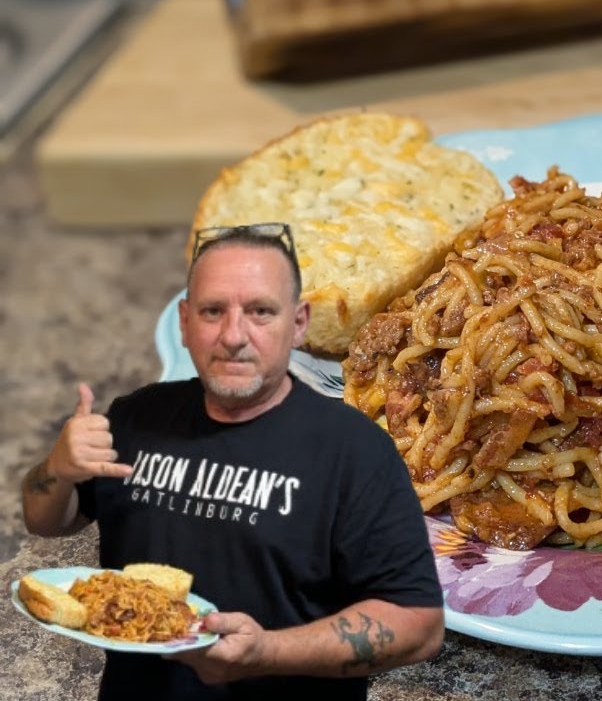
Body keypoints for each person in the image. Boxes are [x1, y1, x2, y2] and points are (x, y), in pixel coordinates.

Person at [21, 223, 444, 700]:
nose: (234, 335)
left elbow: (419, 626)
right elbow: (46, 522)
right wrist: (56, 467)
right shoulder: (136, 416)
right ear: (184, 322)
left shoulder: (356, 450)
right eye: (212, 311)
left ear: (299, 323)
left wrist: (268, 652)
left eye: (261, 311)